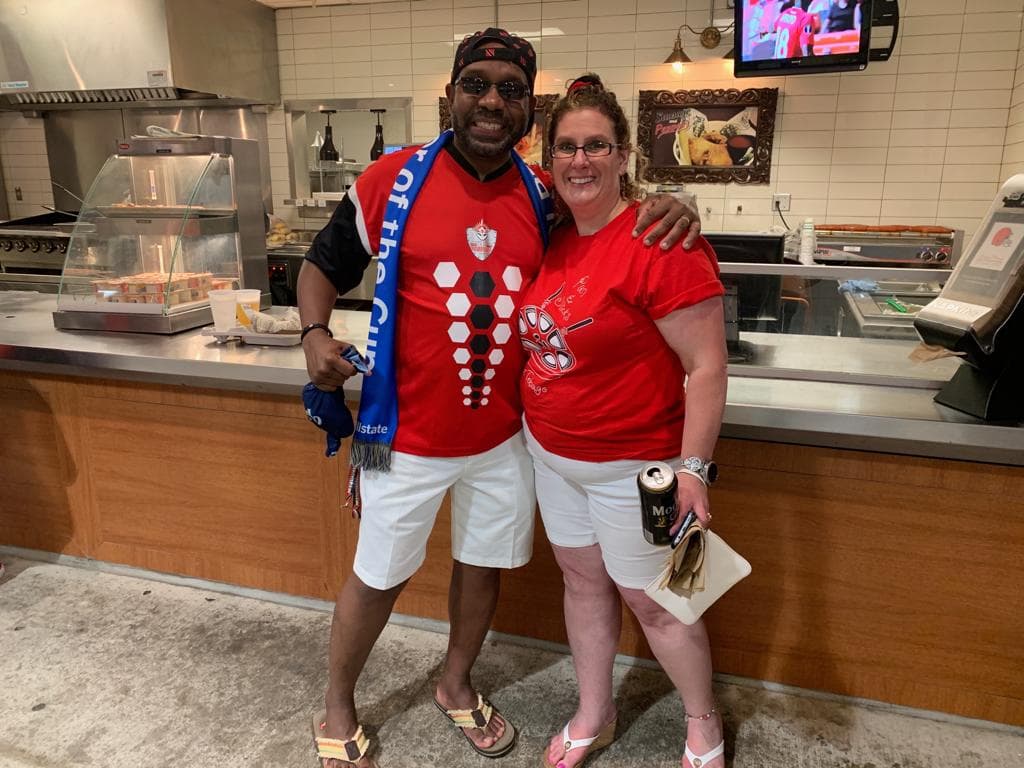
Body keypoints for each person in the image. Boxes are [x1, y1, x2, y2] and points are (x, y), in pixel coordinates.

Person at [298, 29, 704, 768]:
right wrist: (314, 333)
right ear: (450, 94)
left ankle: (455, 683)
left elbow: (608, 218)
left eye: (511, 90)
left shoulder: (543, 194)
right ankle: (337, 702)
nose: (491, 100)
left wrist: (670, 204)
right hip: (398, 434)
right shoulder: (390, 180)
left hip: (507, 440)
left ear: (529, 110)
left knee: (481, 564)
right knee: (377, 574)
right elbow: (320, 266)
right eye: (476, 84)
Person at [517, 75, 728, 768]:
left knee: (659, 606)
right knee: (581, 584)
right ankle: (595, 710)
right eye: (567, 147)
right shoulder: (549, 235)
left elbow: (706, 366)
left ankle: (703, 722)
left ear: (624, 154)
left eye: (597, 146)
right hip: (553, 460)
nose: (580, 161)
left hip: (636, 470)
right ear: (549, 157)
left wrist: (694, 471)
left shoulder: (659, 241)